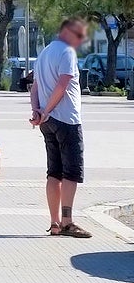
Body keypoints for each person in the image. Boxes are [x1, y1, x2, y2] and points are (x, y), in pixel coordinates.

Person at [31, 17, 92, 237]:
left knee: (53, 172)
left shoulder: (45, 52)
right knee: (71, 172)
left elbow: (35, 86)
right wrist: (46, 110)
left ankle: (54, 222)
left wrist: (37, 112)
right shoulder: (67, 52)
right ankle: (67, 222)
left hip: (48, 122)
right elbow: (63, 84)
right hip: (67, 119)